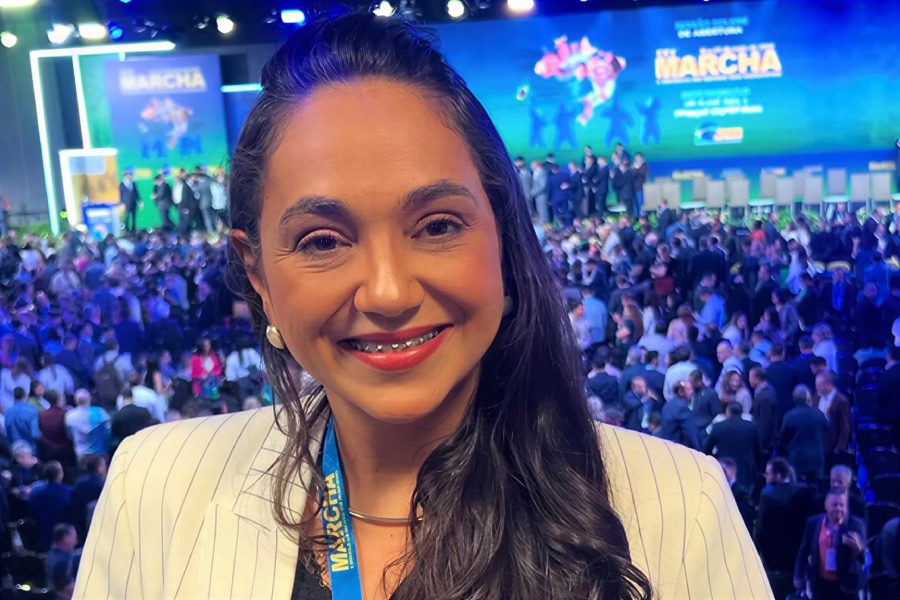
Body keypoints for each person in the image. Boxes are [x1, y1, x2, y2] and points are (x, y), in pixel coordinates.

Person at [75, 14, 770, 599]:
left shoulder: (680, 506)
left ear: (502, 235)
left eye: (437, 226)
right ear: (256, 273)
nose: (389, 293)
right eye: (323, 241)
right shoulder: (155, 491)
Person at [754, 458, 817, 599]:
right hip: (797, 557)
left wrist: (756, 551)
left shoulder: (767, 494)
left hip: (772, 559)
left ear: (778, 475)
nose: (766, 478)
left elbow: (760, 529)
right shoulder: (806, 492)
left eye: (768, 474)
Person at [794, 490, 867, 599]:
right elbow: (803, 551)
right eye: (834, 505)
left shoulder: (855, 525)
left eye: (842, 505)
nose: (838, 508)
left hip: (847, 586)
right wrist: (798, 576)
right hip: (820, 585)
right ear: (826, 505)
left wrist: (858, 549)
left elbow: (864, 560)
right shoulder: (813, 523)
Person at [704, 401, 762, 489]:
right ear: (742, 413)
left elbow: (706, 450)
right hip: (746, 471)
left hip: (724, 471)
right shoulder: (752, 427)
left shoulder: (718, 427)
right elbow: (758, 452)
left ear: (727, 412)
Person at [780, 385, 830, 483]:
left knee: (796, 488)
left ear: (794, 399)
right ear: (809, 399)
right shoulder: (818, 414)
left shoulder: (788, 416)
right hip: (816, 459)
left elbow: (782, 438)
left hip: (796, 459)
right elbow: (827, 427)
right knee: (815, 488)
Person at [29, 460, 73, 551]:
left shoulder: (36, 493)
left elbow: (32, 513)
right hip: (65, 536)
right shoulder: (69, 492)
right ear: (60, 474)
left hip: (42, 534)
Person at [65, 389, 111, 461]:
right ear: (90, 399)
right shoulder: (100, 412)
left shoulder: (69, 416)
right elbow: (109, 432)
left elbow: (69, 435)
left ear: (75, 401)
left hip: (81, 454)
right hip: (100, 454)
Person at [656, 380, 700, 450]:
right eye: (689, 389)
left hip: (666, 447)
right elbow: (691, 433)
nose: (692, 392)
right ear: (680, 392)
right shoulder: (682, 408)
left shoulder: (667, 405)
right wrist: (699, 451)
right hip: (678, 449)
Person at [815, 370, 851, 455]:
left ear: (829, 385)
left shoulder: (841, 401)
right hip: (817, 446)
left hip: (832, 447)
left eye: (819, 385)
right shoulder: (816, 397)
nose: (816, 388)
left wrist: (839, 448)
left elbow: (845, 427)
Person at [718, 456, 755, 532]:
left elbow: (745, 519)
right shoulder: (720, 489)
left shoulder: (741, 493)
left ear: (731, 472)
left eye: (722, 470)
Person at [45, 523, 80, 599]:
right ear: (66, 538)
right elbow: (68, 589)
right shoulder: (61, 561)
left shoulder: (51, 555)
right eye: (74, 537)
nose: (76, 541)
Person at [749, 367, 777, 455]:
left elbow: (765, 422)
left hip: (764, 444)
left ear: (757, 379)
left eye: (750, 377)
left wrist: (761, 443)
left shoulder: (765, 397)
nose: (749, 380)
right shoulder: (764, 392)